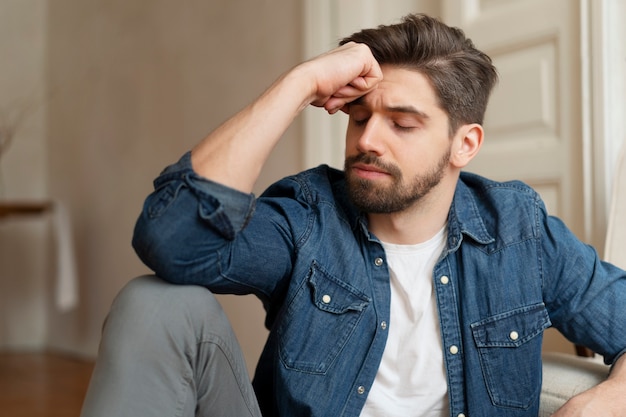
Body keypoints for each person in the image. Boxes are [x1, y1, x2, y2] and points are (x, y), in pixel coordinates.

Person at [80, 13, 626, 417]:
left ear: (465, 144)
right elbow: (172, 242)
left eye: (402, 124)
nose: (367, 139)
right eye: (359, 117)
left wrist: (597, 405)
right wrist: (298, 85)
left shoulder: (518, 231)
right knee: (153, 302)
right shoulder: (309, 215)